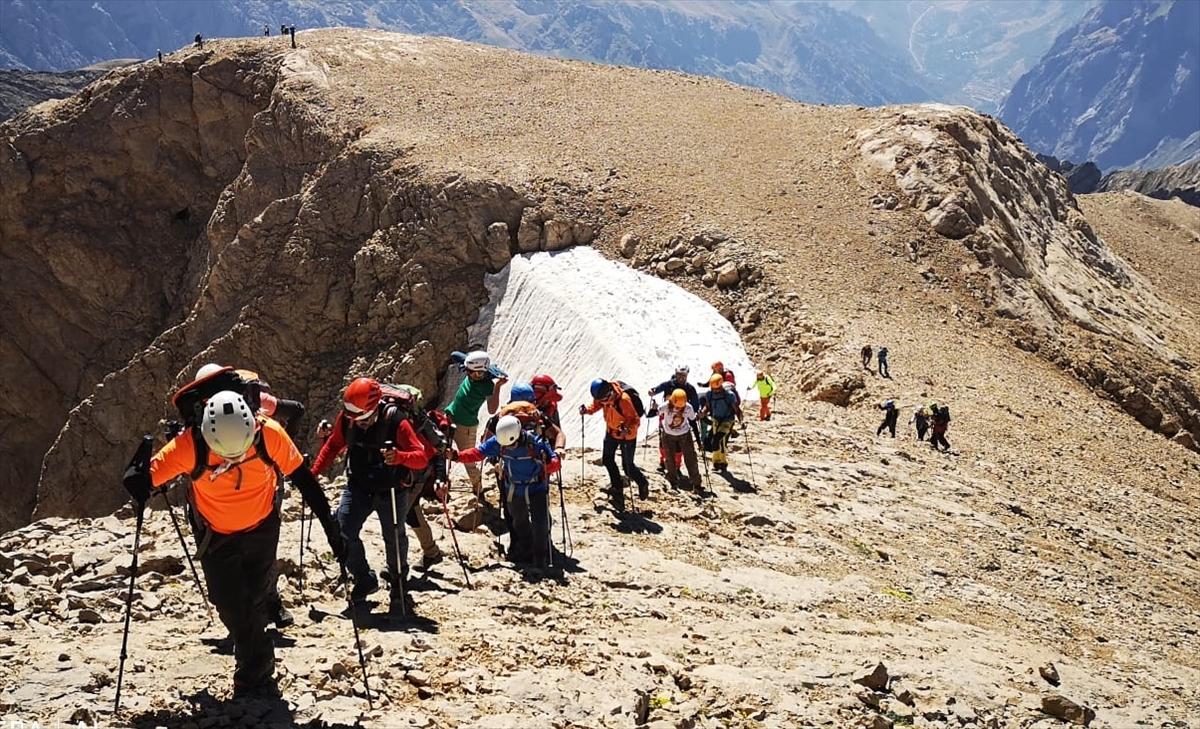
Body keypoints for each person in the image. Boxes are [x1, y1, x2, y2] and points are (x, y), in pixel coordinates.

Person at [122, 388, 343, 698]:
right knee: (227, 602)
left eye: (239, 452)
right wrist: (139, 463)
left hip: (261, 528)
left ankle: (255, 667)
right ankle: (257, 654)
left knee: (254, 595)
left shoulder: (270, 434)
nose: (233, 460)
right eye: (227, 455)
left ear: (252, 426)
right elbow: (141, 485)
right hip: (218, 535)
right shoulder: (190, 444)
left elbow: (304, 480)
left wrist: (333, 531)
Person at [311, 378, 435, 616]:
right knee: (343, 529)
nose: (358, 423)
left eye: (362, 418)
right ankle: (364, 578)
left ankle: (398, 585)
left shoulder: (396, 420)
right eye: (354, 418)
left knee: (394, 537)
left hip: (390, 488)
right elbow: (334, 444)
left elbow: (420, 456)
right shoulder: (347, 418)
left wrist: (399, 457)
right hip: (358, 486)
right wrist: (313, 473)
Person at [451, 415, 559, 566]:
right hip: (517, 488)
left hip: (533, 487)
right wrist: (457, 456)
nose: (509, 447)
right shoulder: (500, 441)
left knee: (540, 523)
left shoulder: (533, 441)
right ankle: (528, 552)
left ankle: (540, 558)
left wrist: (551, 462)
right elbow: (478, 453)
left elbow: (554, 461)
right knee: (519, 522)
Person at [443, 350, 505, 504]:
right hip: (451, 419)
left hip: (466, 427)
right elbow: (456, 354)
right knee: (441, 453)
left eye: (474, 373)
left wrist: (497, 387)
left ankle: (478, 488)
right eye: (469, 372)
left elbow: (492, 409)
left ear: (481, 372)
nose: (470, 375)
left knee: (468, 460)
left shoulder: (487, 386)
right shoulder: (472, 365)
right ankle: (442, 486)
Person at [580, 378, 646, 512]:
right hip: (612, 431)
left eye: (605, 399)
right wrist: (588, 410)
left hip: (627, 435)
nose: (605, 402)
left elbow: (635, 420)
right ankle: (617, 488)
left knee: (628, 467)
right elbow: (597, 404)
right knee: (607, 459)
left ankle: (642, 482)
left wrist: (626, 429)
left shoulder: (624, 400)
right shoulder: (603, 394)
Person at [647, 364, 699, 471]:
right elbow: (658, 388)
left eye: (683, 375)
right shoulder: (671, 385)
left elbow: (695, 405)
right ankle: (664, 462)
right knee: (663, 440)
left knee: (677, 445)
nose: (681, 377)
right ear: (676, 374)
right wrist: (653, 391)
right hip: (668, 415)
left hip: (680, 416)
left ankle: (676, 465)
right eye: (679, 375)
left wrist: (693, 413)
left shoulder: (689, 389)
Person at [698, 375, 743, 473]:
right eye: (714, 389)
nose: (716, 391)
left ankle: (718, 462)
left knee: (717, 440)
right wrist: (702, 412)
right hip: (716, 420)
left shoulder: (729, 395)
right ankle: (721, 463)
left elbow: (736, 409)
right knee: (719, 442)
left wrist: (741, 421)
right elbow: (708, 406)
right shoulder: (710, 394)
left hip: (727, 420)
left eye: (717, 389)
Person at [660, 389, 701, 490]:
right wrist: (653, 408)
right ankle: (673, 482)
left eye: (680, 407)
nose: (678, 408)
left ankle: (696, 483)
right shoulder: (665, 406)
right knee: (670, 459)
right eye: (676, 406)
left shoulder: (688, 407)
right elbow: (653, 413)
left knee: (690, 458)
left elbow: (693, 421)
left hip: (684, 434)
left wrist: (699, 440)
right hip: (668, 435)